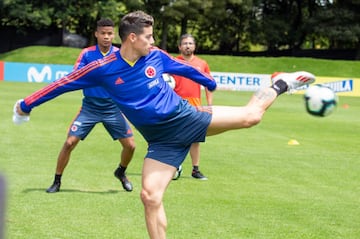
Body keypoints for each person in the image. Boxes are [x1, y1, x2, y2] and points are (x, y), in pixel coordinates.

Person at [13, 10, 315, 239]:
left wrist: (208, 80)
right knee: (150, 196)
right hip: (160, 141)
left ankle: (279, 84)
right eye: (149, 36)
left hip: (185, 119)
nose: (154, 41)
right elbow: (63, 84)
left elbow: (182, 67)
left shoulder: (156, 55)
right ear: (132, 37)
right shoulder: (101, 69)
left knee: (252, 117)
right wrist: (25, 106)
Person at [46, 18, 136, 193]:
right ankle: (57, 181)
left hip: (112, 108)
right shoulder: (87, 54)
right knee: (69, 143)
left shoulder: (121, 54)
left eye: (110, 33)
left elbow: (129, 78)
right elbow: (76, 74)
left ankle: (121, 172)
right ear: (96, 34)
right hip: (90, 107)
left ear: (114, 35)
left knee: (131, 146)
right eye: (103, 33)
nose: (106, 37)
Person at [172, 33, 213, 180]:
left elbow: (209, 85)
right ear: (179, 47)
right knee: (174, 136)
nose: (187, 46)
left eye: (190, 43)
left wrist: (209, 104)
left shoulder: (202, 64)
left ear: (194, 46)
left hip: (196, 104)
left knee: (195, 138)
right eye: (185, 43)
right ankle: (173, 165)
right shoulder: (173, 62)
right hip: (177, 104)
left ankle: (195, 169)